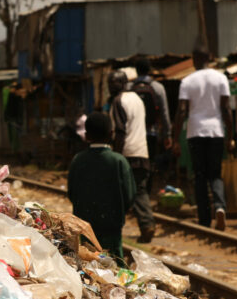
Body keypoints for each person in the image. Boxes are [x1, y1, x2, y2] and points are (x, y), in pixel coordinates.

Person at [172, 47, 233, 230]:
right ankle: (220, 207)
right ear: (210, 58)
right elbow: (226, 109)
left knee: (199, 175)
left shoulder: (187, 81)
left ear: (194, 59)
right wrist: (231, 136)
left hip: (195, 132)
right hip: (216, 131)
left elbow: (182, 111)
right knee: (215, 174)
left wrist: (175, 139)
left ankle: (204, 219)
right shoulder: (221, 78)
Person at [68, 112, 136, 261]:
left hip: (84, 227)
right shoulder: (119, 161)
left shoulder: (78, 160)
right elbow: (129, 196)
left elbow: (71, 193)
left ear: (86, 135)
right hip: (112, 227)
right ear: (111, 134)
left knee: (88, 261)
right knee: (114, 263)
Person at [107, 70, 155, 243]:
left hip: (127, 153)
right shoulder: (137, 99)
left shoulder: (118, 101)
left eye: (114, 82)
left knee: (120, 192)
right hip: (142, 152)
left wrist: (116, 157)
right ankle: (146, 224)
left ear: (123, 83)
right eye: (109, 83)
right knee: (139, 190)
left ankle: (114, 227)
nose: (111, 86)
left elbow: (120, 131)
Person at [132, 58, 173, 185]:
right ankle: (146, 192)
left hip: (134, 134)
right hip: (152, 134)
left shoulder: (130, 87)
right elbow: (165, 113)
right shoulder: (158, 88)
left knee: (134, 165)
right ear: (149, 70)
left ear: (136, 71)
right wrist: (167, 135)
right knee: (149, 164)